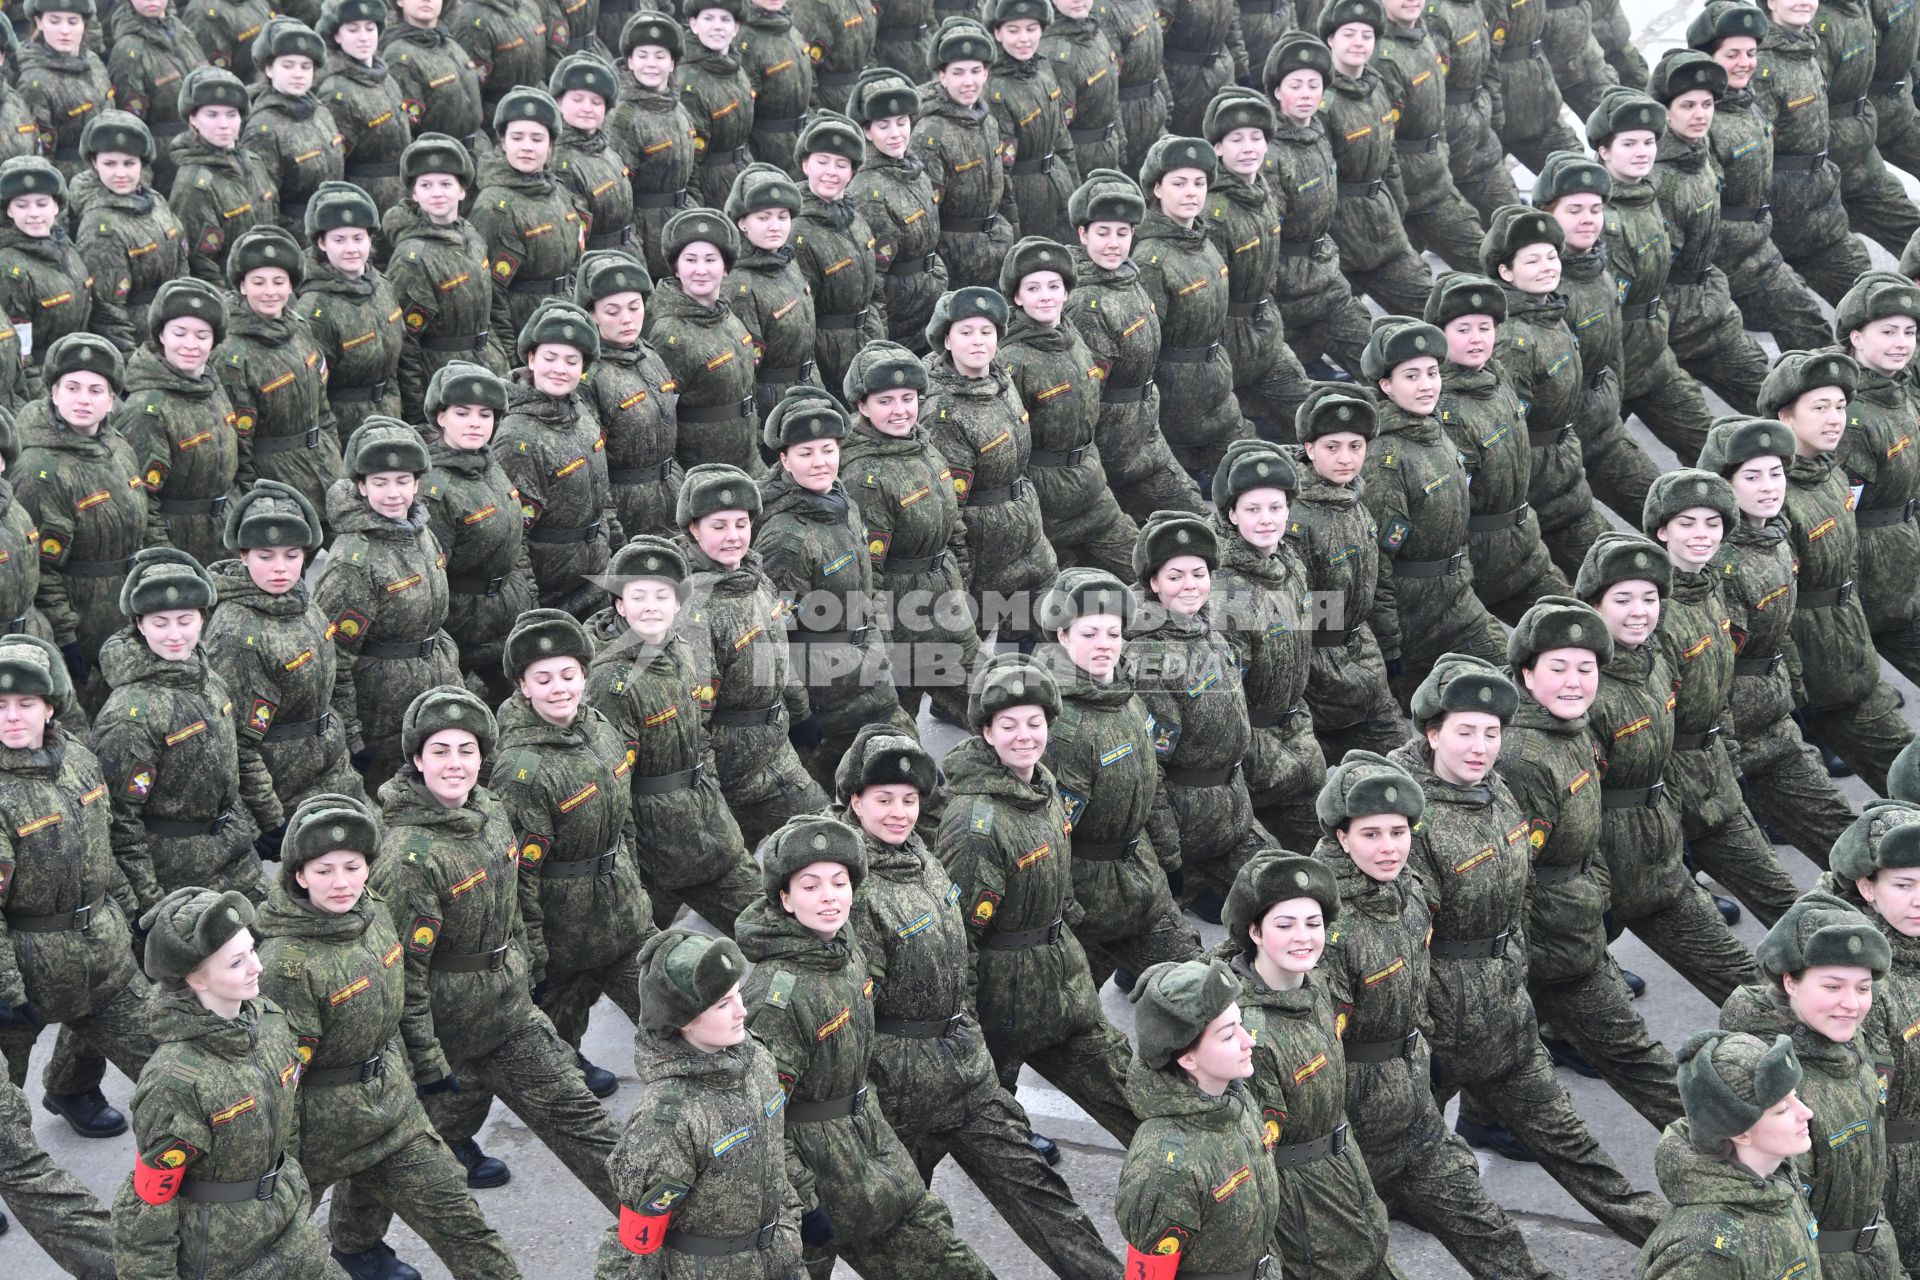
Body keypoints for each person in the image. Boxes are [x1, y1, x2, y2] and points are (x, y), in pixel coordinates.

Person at [327, 686, 621, 1234]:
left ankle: (654, 1233)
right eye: (439, 751)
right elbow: (402, 971)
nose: (454, 764)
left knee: (581, 1121)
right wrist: (425, 1058)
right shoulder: (407, 857)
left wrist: (531, 968)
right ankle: (354, 1242)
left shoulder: (491, 813)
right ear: (416, 760)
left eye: (466, 750)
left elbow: (515, 901)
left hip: (508, 1013)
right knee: (401, 1146)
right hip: (445, 1027)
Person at [1394, 654, 1666, 1242]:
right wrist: (1418, 1036)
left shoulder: (1497, 791)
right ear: (1432, 733)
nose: (1480, 747)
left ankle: (1668, 1239)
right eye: (1464, 732)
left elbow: (1519, 901)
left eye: (1491, 733)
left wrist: (1519, 981)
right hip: (1438, 1027)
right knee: (1394, 1171)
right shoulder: (1403, 823)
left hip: (1506, 1017)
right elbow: (1401, 944)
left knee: (1575, 1147)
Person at [837, 722, 1123, 1278]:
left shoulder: (924, 857)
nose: (899, 812)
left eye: (909, 800)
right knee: (886, 1230)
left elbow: (963, 956)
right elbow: (852, 1012)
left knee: (1041, 1195)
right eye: (883, 800)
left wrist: (972, 1036)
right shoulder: (850, 887)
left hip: (965, 1071)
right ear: (854, 802)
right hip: (899, 1091)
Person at [1312, 750, 1567, 1280]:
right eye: (1371, 834)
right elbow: (1316, 1046)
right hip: (1348, 1129)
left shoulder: (1407, 898)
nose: (1389, 849)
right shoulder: (1324, 926)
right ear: (1341, 837)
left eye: (1399, 832)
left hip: (1415, 1115)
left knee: (1492, 1233)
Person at [254, 793, 523, 1280]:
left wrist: (426, 1066)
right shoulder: (284, 966)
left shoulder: (375, 912)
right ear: (298, 876)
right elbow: (280, 1077)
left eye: (353, 867)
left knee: (467, 1231)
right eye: (324, 870)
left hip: (392, 1111)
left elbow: (402, 999)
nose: (342, 883)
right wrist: (280, 1162)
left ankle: (358, 1250)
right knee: (272, 1257)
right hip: (319, 1135)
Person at [737, 815, 994, 1280]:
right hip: (822, 1178)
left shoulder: (846, 950)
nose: (829, 896)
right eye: (810, 886)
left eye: (839, 882)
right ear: (784, 899)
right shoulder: (777, 997)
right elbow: (761, 1113)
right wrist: (803, 1198)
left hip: (873, 1148)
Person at [1492, 596, 1683, 1128]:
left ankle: (1484, 1119)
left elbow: (1584, 833)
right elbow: (1513, 877)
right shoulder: (1524, 757)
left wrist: (1595, 893)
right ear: (1526, 675)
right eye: (1558, 669)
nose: (1575, 681)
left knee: (1503, 1050)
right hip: (1551, 936)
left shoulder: (1568, 729)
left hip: (1571, 919)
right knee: (1635, 1056)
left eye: (1587, 668)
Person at [935, 653, 1139, 1143]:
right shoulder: (975, 823)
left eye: (1034, 723)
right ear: (987, 733)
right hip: (1001, 991)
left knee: (1123, 1083)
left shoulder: (1044, 787)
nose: (1025, 735)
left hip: (1059, 972)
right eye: (1009, 725)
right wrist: (960, 1021)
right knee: (983, 1116)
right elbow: (959, 935)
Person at [110, 888, 339, 1278]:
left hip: (286, 1219)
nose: (257, 967)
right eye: (236, 962)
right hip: (222, 1253)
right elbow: (150, 1202)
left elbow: (286, 1120)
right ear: (196, 979)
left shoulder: (268, 1021)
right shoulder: (176, 1080)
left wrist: (295, 1185)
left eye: (252, 950)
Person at [1577, 531, 1763, 1004]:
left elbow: (1669, 754)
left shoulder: (1655, 658)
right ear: (1592, 604)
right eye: (1622, 598)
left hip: (1658, 850)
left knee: (1745, 983)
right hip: (1604, 863)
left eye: (1650, 597)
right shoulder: (1579, 685)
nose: (1639, 610)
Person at [491, 609, 654, 1099]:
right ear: (523, 687)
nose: (559, 688)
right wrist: (535, 954)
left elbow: (622, 818)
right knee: (553, 1034)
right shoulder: (521, 770)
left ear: (585, 675)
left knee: (672, 1009)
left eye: (569, 675)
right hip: (563, 930)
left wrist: (636, 886)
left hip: (621, 913)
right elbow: (519, 874)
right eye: (543, 679)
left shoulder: (599, 728)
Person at [1219, 853, 1401, 1279]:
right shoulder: (1246, 1028)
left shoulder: (1316, 985)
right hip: (1300, 1210)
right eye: (1285, 925)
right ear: (1254, 931)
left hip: (1347, 1175)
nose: (1303, 937)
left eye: (1313, 924)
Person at [593, 928, 804, 1278]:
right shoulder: (670, 1117)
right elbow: (636, 1236)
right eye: (723, 1004)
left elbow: (776, 1147)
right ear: (683, 1022)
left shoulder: (757, 1062)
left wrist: (797, 1211)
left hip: (779, 1259)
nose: (742, 1010)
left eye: (738, 995)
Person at [1696, 416, 1858, 871]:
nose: (1769, 487)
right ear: (1724, 484)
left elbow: (1780, 631)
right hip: (1733, 734)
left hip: (1774, 717)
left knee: (1843, 833)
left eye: (1776, 473)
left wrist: (1796, 695)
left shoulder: (1774, 535)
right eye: (1752, 476)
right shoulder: (1722, 564)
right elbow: (1713, 674)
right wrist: (1724, 750)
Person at [1643, 469, 1801, 928]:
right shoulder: (1653, 606)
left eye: (1712, 524)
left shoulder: (1710, 587)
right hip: (1672, 774)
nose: (1701, 535)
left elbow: (1719, 688)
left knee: (1781, 897)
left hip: (1713, 767)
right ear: (1661, 530)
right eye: (1687, 523)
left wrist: (1728, 758)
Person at [584, 535, 761, 933]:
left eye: (662, 596)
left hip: (706, 828)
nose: (651, 607)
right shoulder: (610, 681)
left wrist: (711, 795)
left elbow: (700, 734)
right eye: (638, 596)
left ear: (679, 604)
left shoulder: (682, 649)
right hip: (653, 848)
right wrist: (630, 860)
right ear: (619, 605)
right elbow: (614, 785)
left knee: (768, 922)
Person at [1720, 893, 1902, 1277]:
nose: (1851, 1004)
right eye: (1832, 987)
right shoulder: (1770, 1080)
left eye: (1863, 988)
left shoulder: (1845, 1038)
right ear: (1790, 982)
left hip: (1876, 1253)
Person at [1034, 568, 1200, 990]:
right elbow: (1051, 833)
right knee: (1063, 1016)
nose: (1104, 645)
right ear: (1063, 637)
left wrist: (1168, 856)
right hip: (1085, 899)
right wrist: (1065, 910)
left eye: (1113, 633)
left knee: (1199, 983)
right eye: (1089, 634)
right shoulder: (1061, 725)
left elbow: (1150, 783)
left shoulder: (1124, 695)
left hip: (1138, 878)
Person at [91, 546, 279, 917]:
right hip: (177, 874)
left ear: (202, 619)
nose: (175, 635)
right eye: (160, 623)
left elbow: (238, 754)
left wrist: (270, 818)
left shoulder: (209, 681)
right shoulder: (132, 715)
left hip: (234, 851)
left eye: (185, 619)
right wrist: (149, 903)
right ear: (139, 626)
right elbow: (119, 824)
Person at [1761, 350, 1916, 793]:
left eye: (1841, 407)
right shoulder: (1776, 495)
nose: (1835, 419)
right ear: (1784, 417)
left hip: (1848, 644)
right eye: (1819, 408)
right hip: (1814, 660)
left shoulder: (1829, 471)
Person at [753, 387, 911, 785]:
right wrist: (801, 713)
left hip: (869, 677)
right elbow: (778, 638)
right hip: (827, 699)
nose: (820, 462)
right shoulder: (785, 538)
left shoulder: (843, 501)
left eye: (828, 449)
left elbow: (867, 589)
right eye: (805, 453)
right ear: (784, 460)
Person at [1126, 511, 1274, 919]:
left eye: (1198, 573)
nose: (1190, 585)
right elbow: (1151, 770)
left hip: (1231, 810)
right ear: (1154, 584)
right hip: (1185, 822)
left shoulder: (1208, 628)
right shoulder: (1151, 657)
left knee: (1283, 886)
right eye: (1175, 577)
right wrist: (1170, 858)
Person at [676, 462, 829, 847]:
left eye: (741, 524)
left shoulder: (756, 577)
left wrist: (800, 711)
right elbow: (695, 717)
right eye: (718, 526)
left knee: (825, 837)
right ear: (693, 529)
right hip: (729, 769)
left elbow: (777, 654)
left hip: (776, 751)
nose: (733, 537)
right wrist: (705, 786)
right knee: (701, 870)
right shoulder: (692, 607)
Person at [1357, 316, 1507, 704]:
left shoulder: (1434, 429)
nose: (1426, 385)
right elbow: (1377, 563)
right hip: (1414, 620)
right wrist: (1389, 643)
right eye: (1411, 376)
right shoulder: (1385, 459)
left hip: (1458, 599)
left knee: (1512, 680)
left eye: (1431, 372)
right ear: (1385, 385)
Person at [836, 339, 982, 727]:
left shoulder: (922, 443)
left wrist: (959, 575)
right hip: (902, 612)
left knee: (991, 702)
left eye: (907, 398)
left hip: (946, 596)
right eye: (885, 401)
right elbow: (869, 569)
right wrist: (878, 638)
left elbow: (953, 518)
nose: (900, 411)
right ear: (862, 406)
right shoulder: (864, 475)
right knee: (895, 722)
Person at [203, 478, 366, 820]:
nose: (280, 568)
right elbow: (237, 743)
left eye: (292, 555)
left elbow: (334, 684)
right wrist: (269, 816)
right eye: (266, 556)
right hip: (285, 785)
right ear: (243, 555)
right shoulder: (236, 635)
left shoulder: (305, 604)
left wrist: (351, 740)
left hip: (333, 768)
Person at [312, 418, 461, 789]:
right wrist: (351, 733)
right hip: (382, 715)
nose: (393, 493)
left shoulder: (420, 531)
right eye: (380, 483)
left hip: (434, 686)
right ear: (361, 487)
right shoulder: (353, 562)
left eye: (403, 481)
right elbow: (334, 657)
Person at [12, 333, 155, 714]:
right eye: (72, 387)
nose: (83, 399)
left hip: (123, 610)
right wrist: (67, 640)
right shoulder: (39, 469)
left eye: (96, 390)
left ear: (111, 400)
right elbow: (41, 571)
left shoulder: (118, 447)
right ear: (53, 394)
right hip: (79, 621)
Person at [1113, 958, 1280, 1280]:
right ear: (1187, 1056)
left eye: (1241, 1025)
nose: (1250, 1041)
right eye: (1229, 1035)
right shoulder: (1165, 1167)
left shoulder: (1233, 1100)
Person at [1686, 1, 1834, 355]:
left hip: (1759, 245)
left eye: (1751, 53)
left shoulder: (1746, 101)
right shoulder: (1700, 119)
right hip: (1723, 259)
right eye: (1732, 54)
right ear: (1708, 58)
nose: (1745, 63)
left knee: (1808, 327)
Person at [1426, 270, 1571, 623]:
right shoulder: (1443, 408)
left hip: (1524, 548)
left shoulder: (1496, 374)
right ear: (1440, 335)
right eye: (1463, 330)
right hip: (1477, 562)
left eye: (1485, 328)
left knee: (1575, 625)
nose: (1477, 339)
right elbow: (1446, 514)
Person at [918, 285, 1057, 650]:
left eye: (986, 332)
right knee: (965, 656)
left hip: (1027, 534)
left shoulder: (1001, 379)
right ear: (946, 340)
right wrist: (960, 578)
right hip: (983, 552)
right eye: (965, 333)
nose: (977, 342)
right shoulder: (943, 412)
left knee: (1035, 636)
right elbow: (951, 507)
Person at [1586, 89, 1717, 468]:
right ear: (1603, 151)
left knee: (1713, 447)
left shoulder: (1647, 192)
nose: (1642, 151)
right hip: (1613, 363)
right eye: (1628, 143)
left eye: (1648, 142)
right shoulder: (1598, 216)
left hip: (1654, 353)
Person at [1479, 205, 1611, 582]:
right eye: (1532, 260)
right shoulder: (1514, 339)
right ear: (1506, 272)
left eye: (1552, 256)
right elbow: (1509, 426)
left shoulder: (1551, 313)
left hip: (1565, 469)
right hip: (1537, 482)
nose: (1547, 266)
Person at [1208, 440, 1327, 853]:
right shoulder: (1226, 591)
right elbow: (1227, 699)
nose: (1266, 520)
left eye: (1275, 508)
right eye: (1253, 510)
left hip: (1295, 727)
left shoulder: (1290, 564)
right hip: (1255, 747)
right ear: (1231, 514)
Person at [1062, 170, 1201, 522]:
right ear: (1082, 234)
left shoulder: (1128, 278)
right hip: (1114, 451)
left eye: (1122, 233)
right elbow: (1088, 398)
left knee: (1195, 512)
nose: (1113, 243)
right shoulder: (1087, 303)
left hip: (1144, 436)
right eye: (1103, 233)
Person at [996, 236, 1138, 577]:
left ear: (1067, 292)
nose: (1045, 295)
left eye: (1053, 286)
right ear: (1016, 297)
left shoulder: (1074, 338)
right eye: (1032, 288)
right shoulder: (1010, 360)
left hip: (1093, 491)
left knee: (1145, 568)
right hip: (1046, 507)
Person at [1532, 153, 1659, 528]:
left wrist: (1610, 404)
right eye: (1574, 210)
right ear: (1546, 213)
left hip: (1604, 431)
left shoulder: (1600, 270)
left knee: (1667, 507)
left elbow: (1612, 356)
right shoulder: (1539, 285)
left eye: (1595, 208)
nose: (1588, 219)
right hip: (1556, 446)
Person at [1633, 1030, 1821, 1280]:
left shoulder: (1777, 1175)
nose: (1806, 1112)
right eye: (1783, 1109)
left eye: (1795, 1096)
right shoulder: (1704, 1250)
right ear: (1740, 1133)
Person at [1645, 52, 1772, 418]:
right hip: (1670, 325)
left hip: (1710, 308)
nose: (1700, 114)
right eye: (1687, 106)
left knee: (1775, 401)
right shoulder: (1658, 177)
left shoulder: (1697, 153)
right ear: (1665, 111)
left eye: (1707, 104)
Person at [1289, 385, 1406, 763]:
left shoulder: (1354, 500)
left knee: (1403, 760)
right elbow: (1293, 609)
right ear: (1309, 450)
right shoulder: (1296, 518)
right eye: (1332, 447)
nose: (1345, 458)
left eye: (1355, 447)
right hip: (1317, 672)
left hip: (1361, 656)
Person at [1825, 801, 1920, 1263]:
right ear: (1867, 887)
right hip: (1892, 1169)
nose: (1919, 899)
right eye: (1903, 885)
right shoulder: (1855, 979)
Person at [1131, 135, 1249, 484]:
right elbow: (1148, 348)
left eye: (1199, 183)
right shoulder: (1151, 259)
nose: (1191, 192)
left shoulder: (1204, 241)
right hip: (1176, 405)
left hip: (1216, 391)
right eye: (1179, 183)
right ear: (1156, 189)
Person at [416, 361, 535, 700]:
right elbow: (432, 581)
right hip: (464, 631)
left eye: (485, 415)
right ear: (440, 417)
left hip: (506, 617)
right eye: (463, 413)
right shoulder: (435, 488)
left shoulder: (489, 466)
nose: (475, 424)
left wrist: (528, 596)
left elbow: (517, 539)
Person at [1261, 33, 1373, 383]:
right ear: (1277, 91)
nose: (1307, 94)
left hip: (1326, 273)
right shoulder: (1268, 151)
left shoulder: (1319, 130)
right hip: (1287, 286)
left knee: (1378, 361)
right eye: (1296, 85)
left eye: (1314, 85)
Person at [497, 300, 621, 616]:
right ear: (530, 359)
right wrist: (531, 605)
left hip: (595, 581)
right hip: (552, 594)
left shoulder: (580, 413)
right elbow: (514, 538)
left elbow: (602, 497)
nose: (559, 369)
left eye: (571, 361)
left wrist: (620, 553)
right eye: (550, 357)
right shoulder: (517, 437)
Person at [1201, 88, 1310, 440]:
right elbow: (1209, 298)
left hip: (1266, 331)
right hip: (1227, 340)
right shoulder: (1213, 212)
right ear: (1217, 148)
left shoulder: (1262, 191)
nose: (1248, 147)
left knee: (1311, 416)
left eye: (1256, 138)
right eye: (1236, 139)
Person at [1751, 0, 1875, 304]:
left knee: (1874, 300)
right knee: (1806, 329)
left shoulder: (1807, 47)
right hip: (1781, 226)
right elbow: (1755, 156)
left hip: (1824, 216)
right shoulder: (1761, 66)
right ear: (1771, 3)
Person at [384, 133, 512, 424]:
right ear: (414, 194)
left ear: (462, 190)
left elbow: (493, 307)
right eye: (426, 185)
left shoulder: (470, 235)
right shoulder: (412, 258)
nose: (437, 193)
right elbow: (407, 344)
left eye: (445, 184)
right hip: (444, 377)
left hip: (487, 363)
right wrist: (418, 412)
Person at [1831, 272, 1920, 688]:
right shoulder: (1850, 418)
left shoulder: (1894, 388)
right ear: (1855, 337)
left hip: (1902, 554)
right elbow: (1840, 515)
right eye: (1887, 331)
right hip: (1872, 571)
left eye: (1909, 331)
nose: (1901, 342)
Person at [220, 224, 342, 527]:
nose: (270, 292)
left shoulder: (299, 328)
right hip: (274, 481)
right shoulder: (233, 353)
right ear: (242, 286)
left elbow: (322, 404)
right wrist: (255, 499)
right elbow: (239, 445)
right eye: (258, 282)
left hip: (323, 469)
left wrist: (332, 452)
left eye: (279, 281)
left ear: (291, 286)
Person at [1318, 0, 1432, 318]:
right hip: (1340, 235)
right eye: (1349, 34)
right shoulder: (1322, 102)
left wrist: (1397, 206)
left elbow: (1389, 156)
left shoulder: (1376, 86)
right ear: (1330, 39)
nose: (1358, 42)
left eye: (1366, 35)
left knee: (1432, 308)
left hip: (1384, 227)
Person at [114, 279, 236, 569]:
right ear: (161, 335)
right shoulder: (147, 409)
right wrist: (166, 560)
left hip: (222, 537)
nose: (190, 345)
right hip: (177, 542)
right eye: (179, 333)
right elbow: (141, 501)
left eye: (202, 335)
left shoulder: (212, 387)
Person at [645, 208, 762, 475]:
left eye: (710, 259)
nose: (701, 270)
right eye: (690, 260)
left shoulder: (726, 313)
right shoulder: (668, 334)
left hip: (747, 461)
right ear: (676, 267)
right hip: (702, 473)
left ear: (725, 268)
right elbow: (661, 420)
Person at [1372, 0, 1486, 271]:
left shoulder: (1421, 34)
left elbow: (1437, 107)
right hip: (1410, 190)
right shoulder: (1383, 57)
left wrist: (1442, 151)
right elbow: (1384, 144)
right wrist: (1397, 201)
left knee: (1480, 260)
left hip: (1434, 176)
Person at [0, 156, 129, 395]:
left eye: (41, 203)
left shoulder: (63, 245)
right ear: (8, 210)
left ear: (57, 206)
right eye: (22, 205)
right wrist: (48, 402)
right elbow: (20, 355)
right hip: (45, 382)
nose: (34, 213)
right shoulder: (10, 268)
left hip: (80, 367)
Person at [575, 254, 678, 545]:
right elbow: (592, 464)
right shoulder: (588, 377)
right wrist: (612, 528)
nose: (627, 319)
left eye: (635, 307)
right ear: (592, 314)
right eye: (612, 311)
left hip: (670, 496)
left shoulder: (650, 356)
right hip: (627, 509)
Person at [847, 69, 947, 355]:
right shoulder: (870, 191)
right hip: (900, 315)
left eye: (901, 122)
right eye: (883, 125)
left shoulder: (914, 170)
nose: (895, 134)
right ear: (867, 131)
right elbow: (873, 281)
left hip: (926, 300)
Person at [915, 18, 1018, 291]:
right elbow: (926, 216)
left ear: (986, 73)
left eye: (975, 71)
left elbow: (1002, 186)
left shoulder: (987, 121)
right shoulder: (931, 133)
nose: (968, 82)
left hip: (994, 248)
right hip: (954, 260)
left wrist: (1012, 232)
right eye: (958, 72)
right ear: (942, 75)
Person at [473, 89, 584, 343]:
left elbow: (576, 258)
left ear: (551, 144)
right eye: (517, 137)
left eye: (537, 138)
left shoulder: (556, 191)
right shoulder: (494, 206)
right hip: (525, 331)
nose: (526, 147)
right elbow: (491, 293)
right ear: (502, 141)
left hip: (564, 319)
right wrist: (512, 351)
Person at [71, 111, 188, 353]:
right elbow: (107, 313)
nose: (121, 174)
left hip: (171, 329)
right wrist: (128, 361)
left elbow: (180, 260)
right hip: (139, 341)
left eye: (129, 163)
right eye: (110, 164)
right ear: (94, 163)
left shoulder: (154, 199)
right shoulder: (100, 226)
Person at [791, 114, 888, 402]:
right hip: (827, 358)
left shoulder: (856, 219)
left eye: (841, 164)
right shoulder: (799, 230)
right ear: (806, 164)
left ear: (853, 172)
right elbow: (802, 319)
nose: (831, 172)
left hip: (866, 343)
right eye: (822, 161)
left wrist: (878, 331)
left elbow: (875, 290)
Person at [299, 181, 405, 441]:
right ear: (322, 243)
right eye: (339, 239)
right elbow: (314, 393)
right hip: (346, 428)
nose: (351, 248)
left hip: (390, 415)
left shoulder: (381, 285)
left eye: (358, 238)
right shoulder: (315, 308)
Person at [724, 163, 826, 419]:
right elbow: (745, 373)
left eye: (782, 217)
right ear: (742, 223)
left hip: (808, 386)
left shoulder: (787, 260)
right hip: (772, 404)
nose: (775, 226)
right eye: (763, 217)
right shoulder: (740, 286)